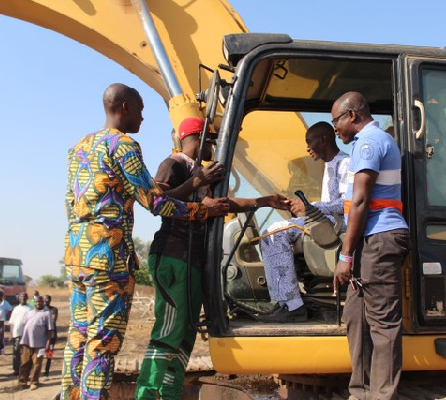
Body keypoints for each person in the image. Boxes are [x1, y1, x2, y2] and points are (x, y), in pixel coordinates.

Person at [62, 84, 222, 400]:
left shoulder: (79, 147)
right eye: (140, 110)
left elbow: (71, 201)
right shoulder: (123, 146)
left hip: (76, 256)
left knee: (78, 337)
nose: (143, 118)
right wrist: (200, 210)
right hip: (109, 258)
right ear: (124, 107)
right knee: (103, 341)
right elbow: (155, 202)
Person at [135, 117, 290, 400]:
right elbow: (158, 200)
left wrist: (262, 201)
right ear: (198, 136)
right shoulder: (175, 165)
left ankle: (169, 394)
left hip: (193, 260)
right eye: (212, 139)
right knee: (169, 330)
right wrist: (197, 182)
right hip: (174, 255)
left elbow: (221, 206)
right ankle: (147, 395)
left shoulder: (200, 170)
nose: (215, 146)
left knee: (185, 335)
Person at [331, 92, 410, 400]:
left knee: (382, 325)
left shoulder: (367, 143)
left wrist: (346, 256)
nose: (334, 127)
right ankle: (360, 392)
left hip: (378, 238)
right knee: (356, 318)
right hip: (368, 239)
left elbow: (361, 201)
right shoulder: (367, 143)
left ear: (352, 115)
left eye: (335, 120)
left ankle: (380, 396)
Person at [257, 121, 349, 323]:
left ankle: (293, 306)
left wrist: (310, 207)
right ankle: (284, 301)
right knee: (274, 231)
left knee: (273, 233)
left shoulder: (345, 164)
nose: (307, 147)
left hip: (340, 225)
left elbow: (348, 204)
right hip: (327, 220)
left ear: (323, 139)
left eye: (310, 141)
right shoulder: (329, 166)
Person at [18, 295, 54, 390]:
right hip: (26, 342)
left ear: (42, 302)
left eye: (40, 302)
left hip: (40, 344)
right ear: (34, 302)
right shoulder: (29, 312)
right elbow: (23, 326)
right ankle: (22, 382)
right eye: (36, 302)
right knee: (24, 363)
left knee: (37, 364)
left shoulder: (47, 313)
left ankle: (34, 382)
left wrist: (48, 343)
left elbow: (50, 330)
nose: (38, 303)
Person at [8, 292, 31, 375]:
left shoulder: (30, 308)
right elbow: (12, 322)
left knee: (26, 352)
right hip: (16, 334)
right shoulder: (16, 309)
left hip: (27, 334)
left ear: (27, 298)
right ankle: (16, 370)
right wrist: (11, 334)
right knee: (16, 352)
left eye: (24, 297)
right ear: (19, 298)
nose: (23, 298)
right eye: (21, 297)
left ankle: (25, 369)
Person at [43, 295, 58, 377]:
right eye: (44, 299)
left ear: (50, 300)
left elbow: (53, 320)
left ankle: (47, 370)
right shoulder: (41, 310)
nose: (46, 300)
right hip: (42, 334)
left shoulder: (54, 309)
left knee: (50, 352)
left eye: (47, 299)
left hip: (52, 334)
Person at [0, 289, 12, 354]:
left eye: (0, 295)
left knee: (1, 336)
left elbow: (11, 309)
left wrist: (6, 314)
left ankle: (1, 350)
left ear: (2, 296)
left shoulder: (5, 303)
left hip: (1, 322)